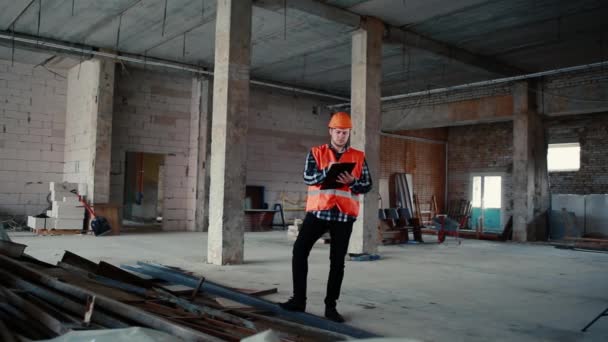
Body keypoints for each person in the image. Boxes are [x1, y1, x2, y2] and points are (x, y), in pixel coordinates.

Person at [279, 111, 372, 323]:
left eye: (345, 132)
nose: (341, 136)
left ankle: (331, 307)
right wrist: (326, 172)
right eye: (338, 132)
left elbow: (367, 185)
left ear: (349, 133)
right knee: (299, 251)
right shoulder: (316, 153)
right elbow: (307, 176)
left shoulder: (358, 157)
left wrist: (351, 181)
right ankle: (298, 300)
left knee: (337, 262)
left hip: (343, 216)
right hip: (319, 212)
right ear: (330, 131)